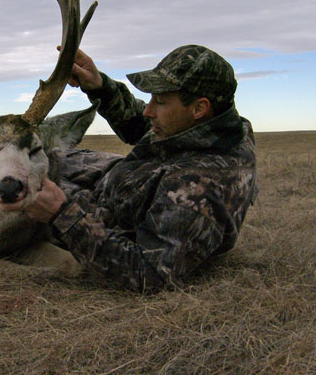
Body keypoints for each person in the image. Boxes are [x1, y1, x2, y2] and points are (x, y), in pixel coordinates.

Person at [25, 44, 258, 292]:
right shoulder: (218, 127)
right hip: (115, 179)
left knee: (28, 184)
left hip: (102, 217)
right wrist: (100, 86)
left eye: (160, 101)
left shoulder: (196, 187)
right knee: (48, 157)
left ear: (199, 108)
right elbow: (140, 124)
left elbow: (147, 273)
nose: (148, 110)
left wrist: (62, 215)